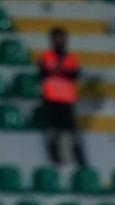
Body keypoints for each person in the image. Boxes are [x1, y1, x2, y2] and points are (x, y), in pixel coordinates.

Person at [38, 27, 86, 166]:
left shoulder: (70, 57)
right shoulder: (46, 56)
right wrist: (61, 72)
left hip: (66, 99)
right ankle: (54, 157)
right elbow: (41, 74)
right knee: (53, 130)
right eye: (56, 38)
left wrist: (58, 71)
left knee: (72, 130)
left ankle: (79, 157)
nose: (59, 41)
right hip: (50, 98)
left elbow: (75, 75)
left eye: (61, 38)